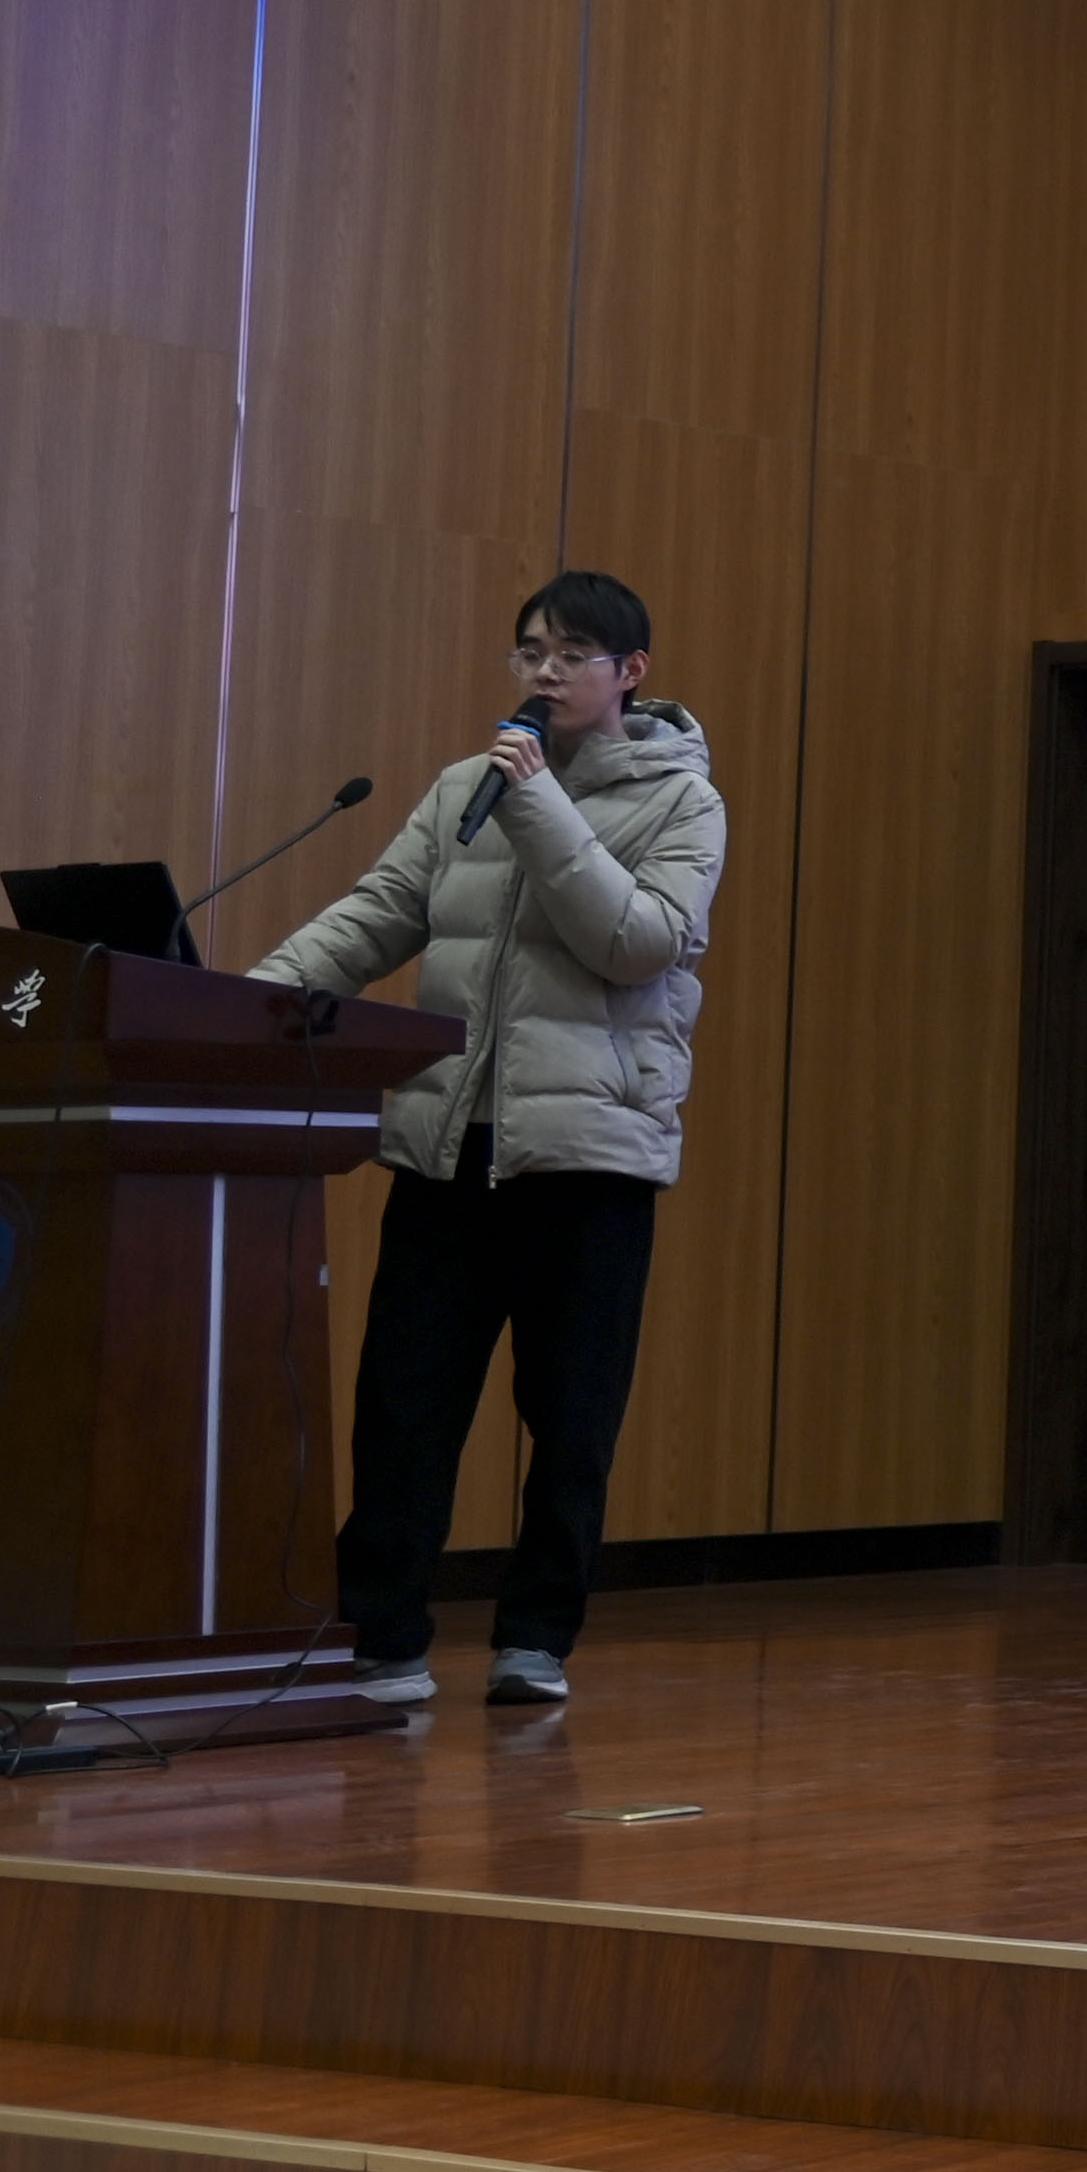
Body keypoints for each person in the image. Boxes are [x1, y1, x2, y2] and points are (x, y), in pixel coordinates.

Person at [253, 573, 727, 1711]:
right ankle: (383, 1638)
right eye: (530, 652)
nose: (544, 673)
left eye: (572, 654)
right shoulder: (467, 788)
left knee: (570, 1420)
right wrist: (248, 998)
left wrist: (540, 806)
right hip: (446, 1144)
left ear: (630, 673)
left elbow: (636, 944)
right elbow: (378, 913)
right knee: (403, 1408)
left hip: (588, 1157)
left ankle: (536, 1640)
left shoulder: (683, 802)